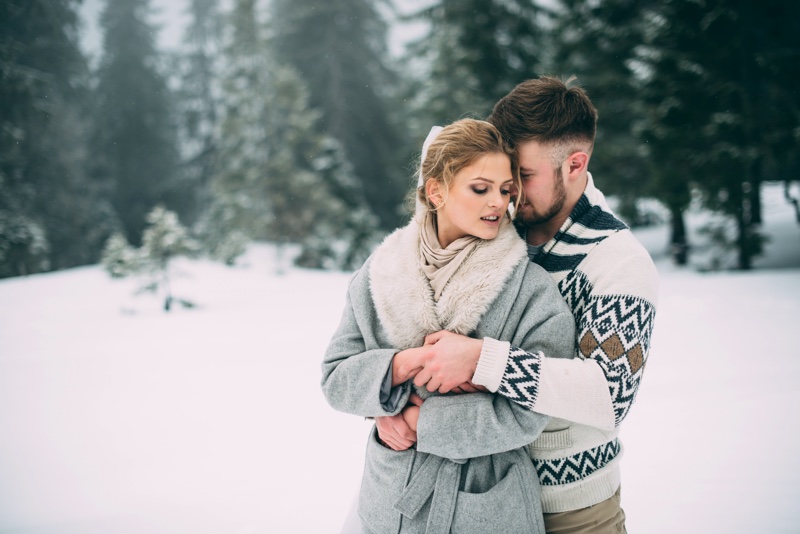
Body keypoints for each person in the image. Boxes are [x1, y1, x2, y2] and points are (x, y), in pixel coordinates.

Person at [376, 77, 659, 533]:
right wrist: (387, 406)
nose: (510, 195)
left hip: (566, 509)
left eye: (523, 177)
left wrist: (482, 360)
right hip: (469, 500)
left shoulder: (617, 261)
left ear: (575, 163)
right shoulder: (493, 227)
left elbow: (609, 395)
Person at [321, 118, 576, 534]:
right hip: (392, 497)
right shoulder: (380, 272)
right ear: (436, 190)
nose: (497, 202)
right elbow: (336, 377)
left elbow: (534, 404)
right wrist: (399, 368)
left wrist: (425, 422)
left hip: (484, 503)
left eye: (506, 189)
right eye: (480, 188)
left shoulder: (529, 289)